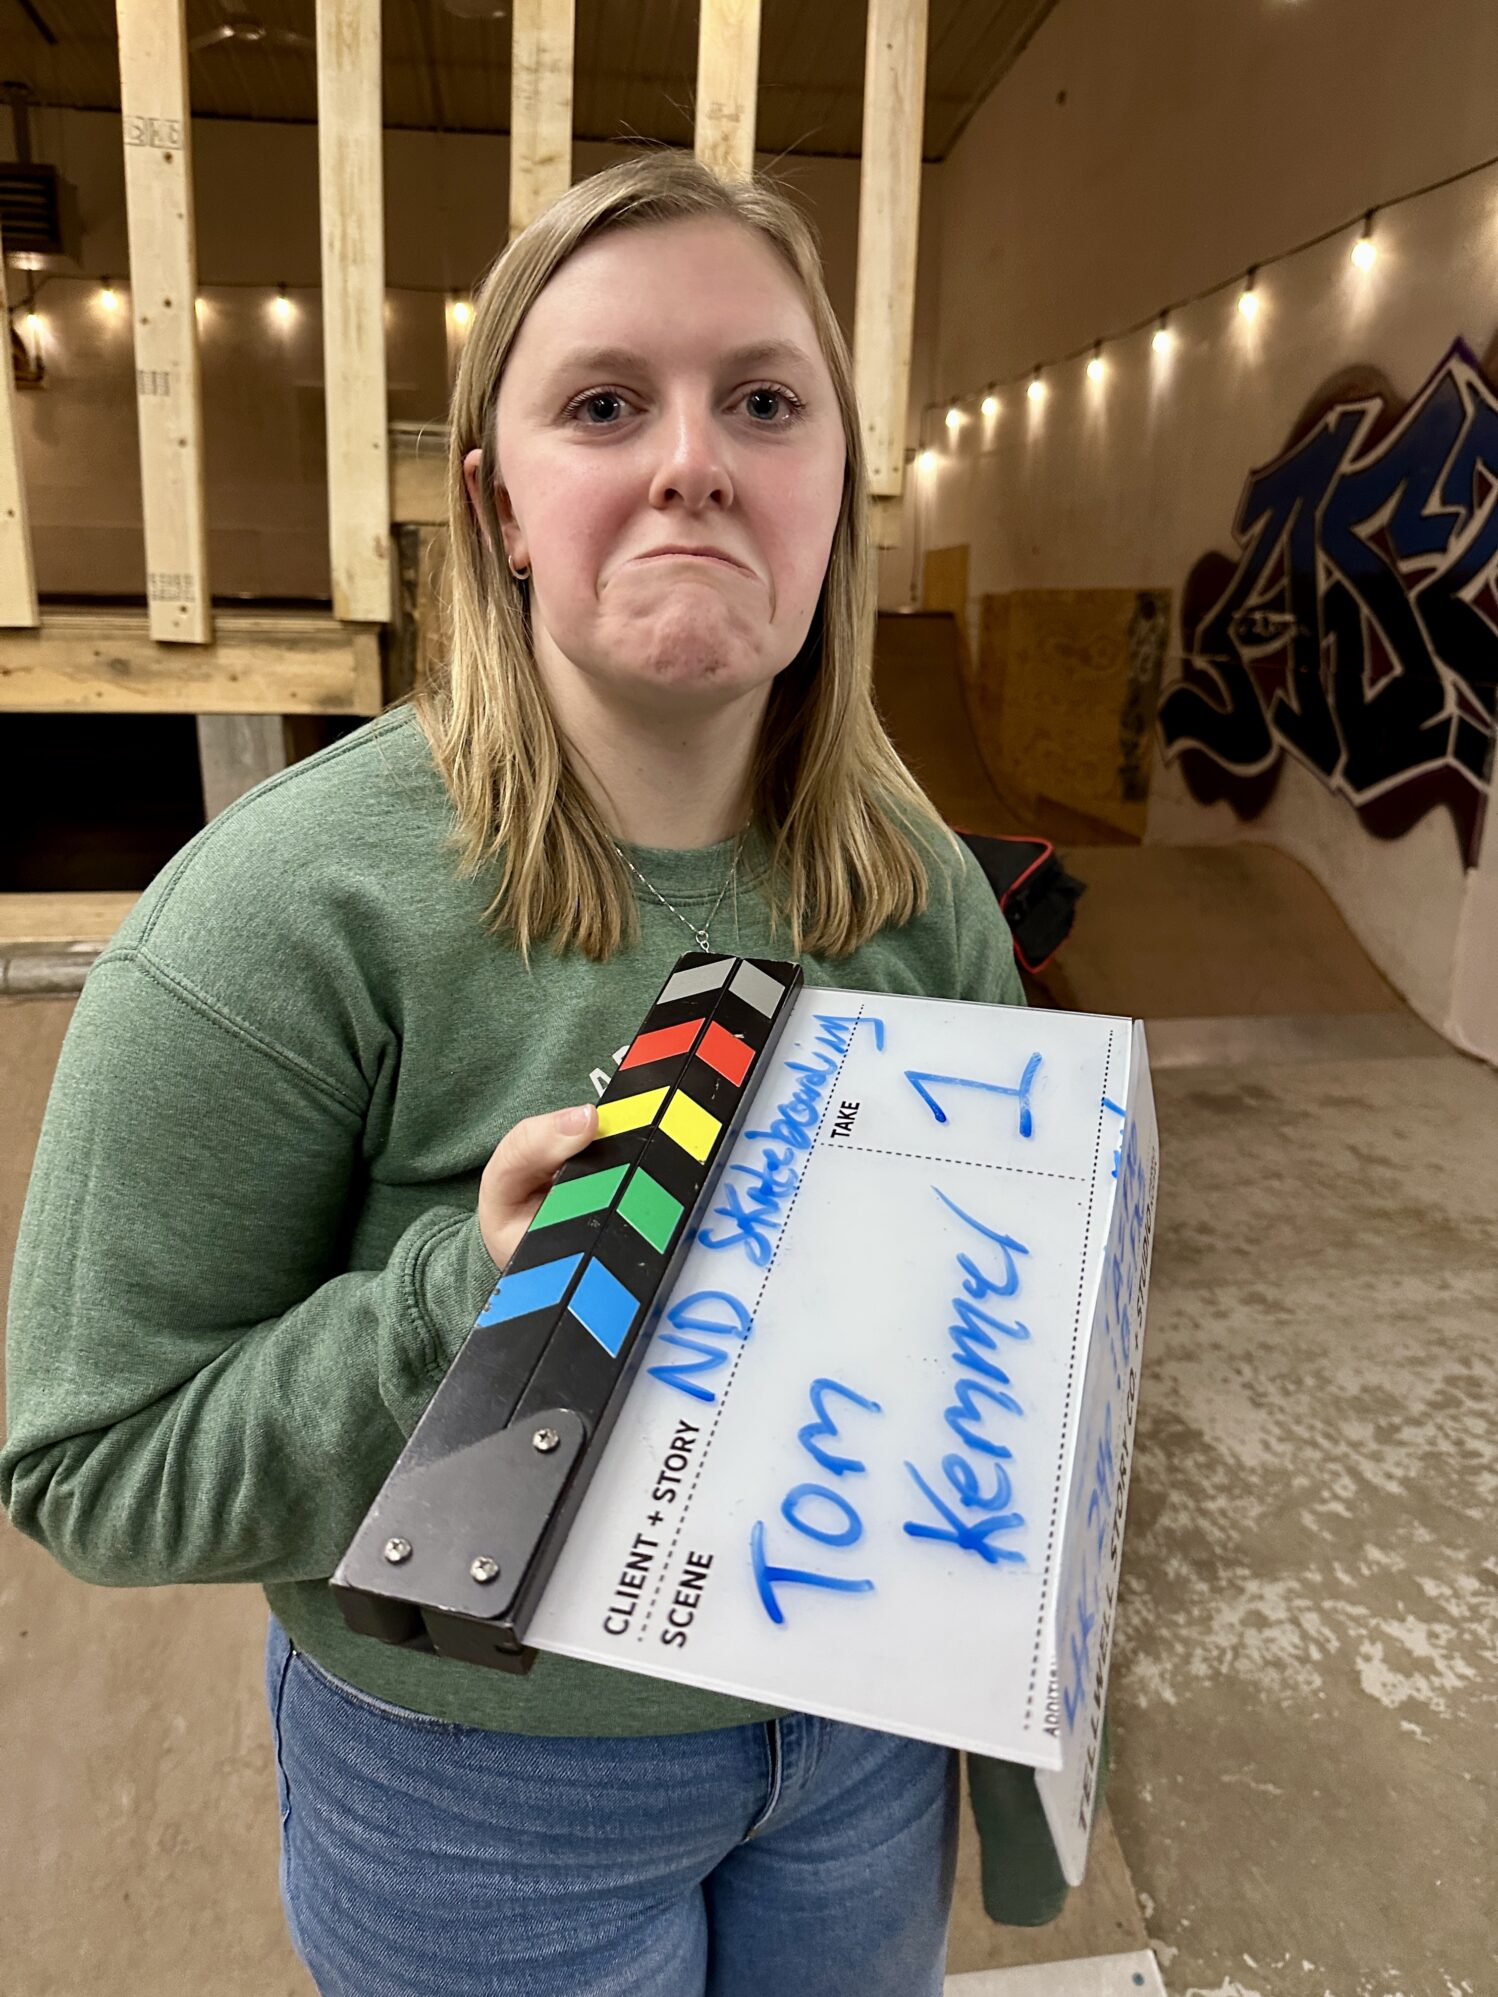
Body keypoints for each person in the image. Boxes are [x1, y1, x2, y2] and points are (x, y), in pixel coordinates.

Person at [1, 151, 1058, 1995]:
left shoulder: (918, 883)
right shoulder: (274, 915)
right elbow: (96, 1468)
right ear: (495, 503)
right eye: (600, 404)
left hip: (861, 1740)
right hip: (477, 1793)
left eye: (761, 400)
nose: (691, 460)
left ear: (833, 484)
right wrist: (467, 1312)